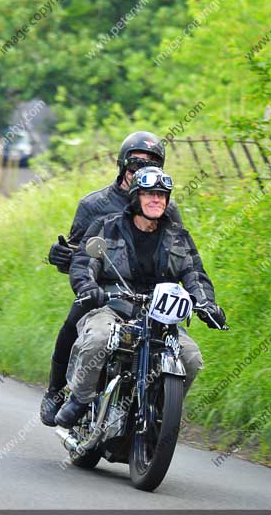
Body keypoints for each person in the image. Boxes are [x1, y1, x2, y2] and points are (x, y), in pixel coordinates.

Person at [55, 166, 226, 428]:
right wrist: (88, 287)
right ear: (136, 197)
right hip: (112, 307)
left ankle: (158, 412)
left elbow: (194, 273)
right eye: (149, 194)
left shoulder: (177, 237)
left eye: (162, 194)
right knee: (99, 338)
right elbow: (85, 262)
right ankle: (80, 398)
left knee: (191, 357)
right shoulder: (107, 227)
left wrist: (206, 303)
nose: (156, 199)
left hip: (158, 315)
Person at [41, 130, 188, 426]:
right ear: (123, 164)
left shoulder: (166, 208)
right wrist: (60, 257)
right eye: (136, 163)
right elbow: (79, 255)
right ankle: (56, 391)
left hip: (149, 294)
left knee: (183, 349)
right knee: (75, 321)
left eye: (151, 165)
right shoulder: (94, 205)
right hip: (106, 290)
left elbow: (177, 251)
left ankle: (156, 407)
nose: (141, 169)